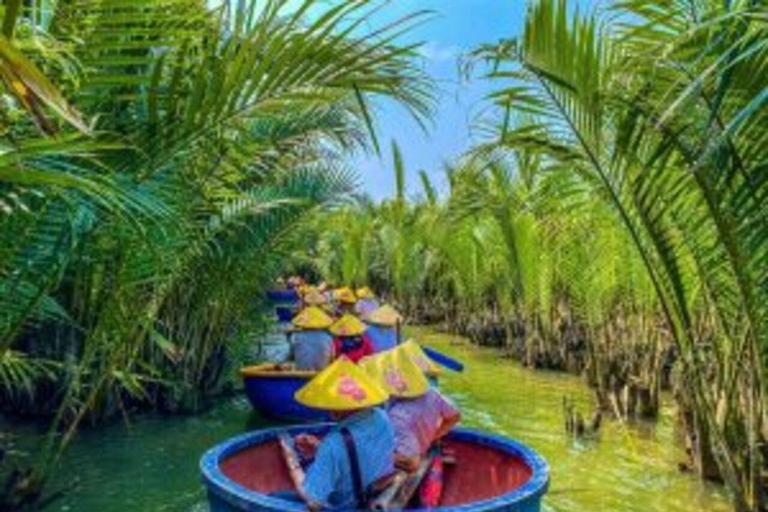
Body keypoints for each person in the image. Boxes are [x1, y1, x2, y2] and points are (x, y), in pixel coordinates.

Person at [280, 357, 395, 510]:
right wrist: (319, 446)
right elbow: (361, 453)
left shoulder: (334, 443)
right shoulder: (382, 416)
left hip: (347, 506)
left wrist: (290, 458)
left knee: (275, 497)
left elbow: (313, 501)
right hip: (373, 494)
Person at [362, 345, 461, 472]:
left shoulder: (398, 416)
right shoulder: (432, 393)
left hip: (407, 461)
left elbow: (411, 462)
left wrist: (375, 455)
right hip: (421, 445)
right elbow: (455, 416)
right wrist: (435, 436)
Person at [290, 306, 334, 371]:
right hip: (322, 373)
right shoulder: (328, 338)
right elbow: (331, 357)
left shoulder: (295, 337)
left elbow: (291, 356)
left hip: (301, 373)